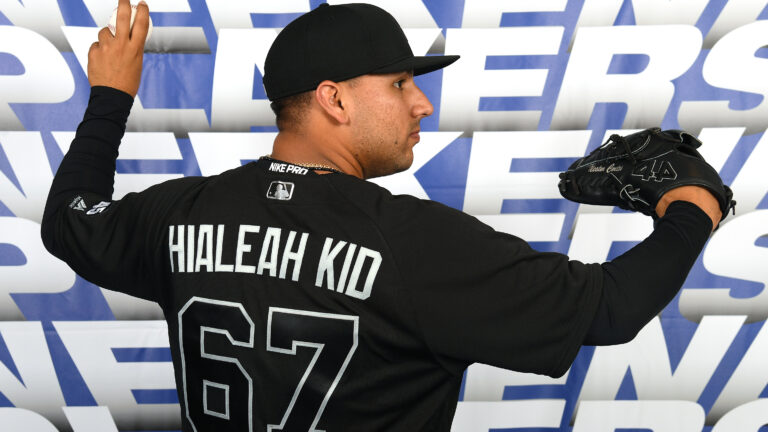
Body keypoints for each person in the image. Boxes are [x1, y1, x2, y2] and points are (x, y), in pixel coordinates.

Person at [41, 1, 722, 431]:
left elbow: (68, 223)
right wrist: (692, 206)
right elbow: (607, 308)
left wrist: (109, 97)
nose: (422, 104)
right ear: (334, 99)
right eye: (399, 83)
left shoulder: (179, 214)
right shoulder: (413, 244)